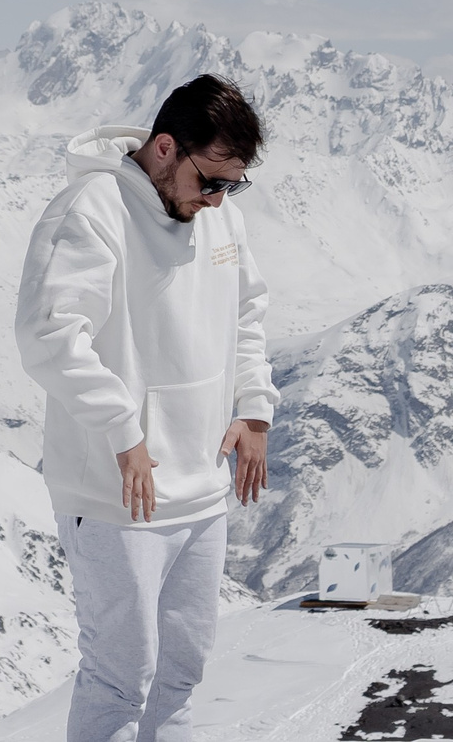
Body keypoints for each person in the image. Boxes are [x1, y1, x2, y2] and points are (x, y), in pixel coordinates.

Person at [14, 74, 278, 742]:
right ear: (165, 147)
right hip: (115, 494)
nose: (219, 198)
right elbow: (49, 335)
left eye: (232, 185)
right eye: (210, 180)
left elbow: (246, 312)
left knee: (181, 674)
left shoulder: (219, 214)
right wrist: (122, 429)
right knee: (119, 676)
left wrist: (253, 408)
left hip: (200, 491)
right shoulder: (92, 208)